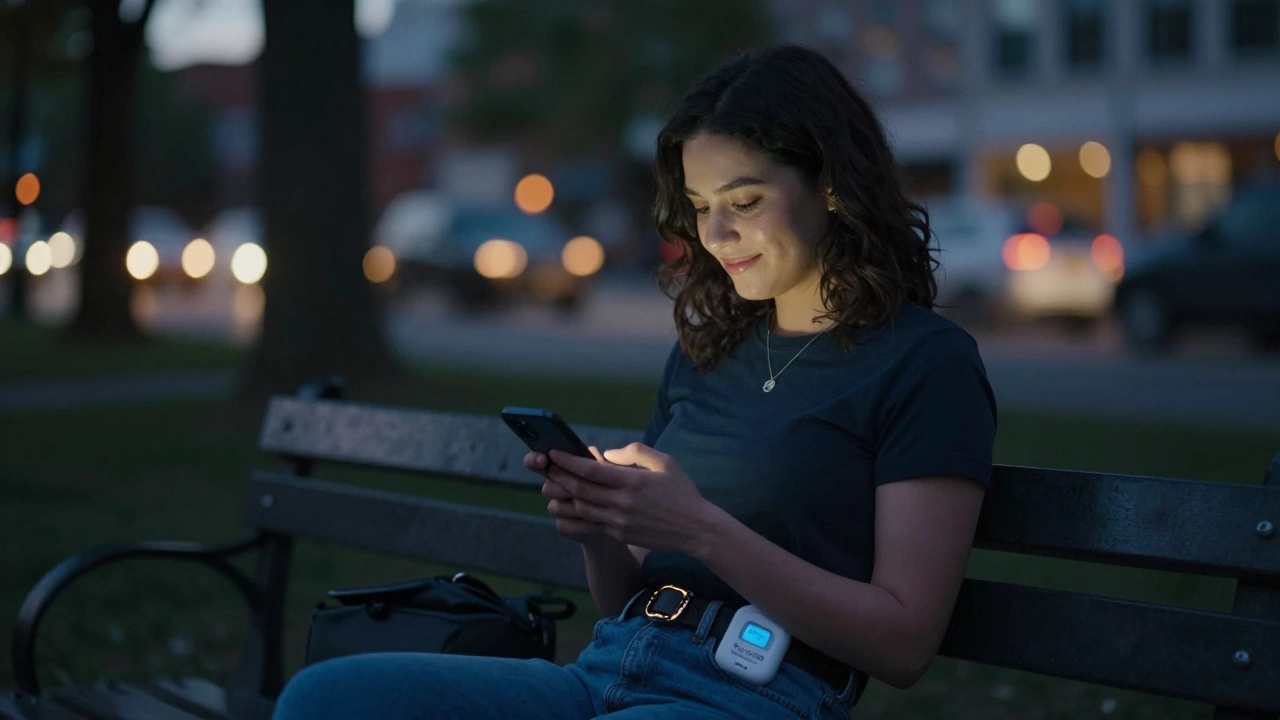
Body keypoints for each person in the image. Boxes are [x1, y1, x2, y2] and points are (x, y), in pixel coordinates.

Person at [271, 42, 996, 720]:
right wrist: (601, 533)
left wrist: (702, 529)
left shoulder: (925, 364)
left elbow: (903, 641)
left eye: (743, 203)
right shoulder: (711, 349)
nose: (715, 237)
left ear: (832, 186)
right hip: (606, 672)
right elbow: (624, 596)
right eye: (701, 208)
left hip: (751, 695)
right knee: (325, 699)